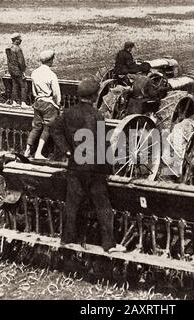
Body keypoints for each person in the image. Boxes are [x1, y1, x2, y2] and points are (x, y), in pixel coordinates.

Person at [50, 77, 126, 253]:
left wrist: (66, 150)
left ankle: (67, 239)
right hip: (93, 168)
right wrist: (108, 168)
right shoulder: (96, 116)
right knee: (103, 205)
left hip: (75, 165)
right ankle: (109, 244)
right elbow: (102, 143)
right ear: (94, 96)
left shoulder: (68, 113)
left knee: (72, 203)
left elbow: (54, 129)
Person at [24, 49, 61, 159]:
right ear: (50, 61)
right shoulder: (51, 74)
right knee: (47, 128)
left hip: (37, 102)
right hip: (48, 104)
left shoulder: (34, 73)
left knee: (36, 128)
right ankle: (39, 153)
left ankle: (27, 151)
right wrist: (57, 104)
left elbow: (34, 90)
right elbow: (56, 93)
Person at [6, 33, 29, 107]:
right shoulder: (18, 49)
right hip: (18, 70)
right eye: (19, 39)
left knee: (15, 85)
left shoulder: (8, 48)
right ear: (16, 40)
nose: (21, 40)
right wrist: (23, 71)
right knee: (24, 86)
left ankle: (14, 102)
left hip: (11, 70)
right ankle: (23, 103)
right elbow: (21, 62)